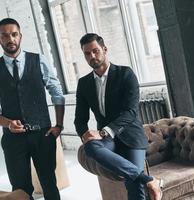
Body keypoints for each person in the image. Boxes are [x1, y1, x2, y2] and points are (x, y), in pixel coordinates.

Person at [0, 18, 64, 200]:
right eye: (5, 35)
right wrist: (7, 123)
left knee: (50, 184)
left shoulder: (39, 60)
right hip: (13, 140)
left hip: (43, 135)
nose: (10, 39)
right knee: (20, 190)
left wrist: (59, 125)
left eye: (14, 34)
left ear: (20, 36)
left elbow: (57, 93)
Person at [74, 33, 163, 200]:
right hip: (108, 142)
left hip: (131, 137)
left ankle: (143, 180)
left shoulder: (125, 74)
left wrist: (102, 133)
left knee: (133, 183)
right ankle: (150, 180)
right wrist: (84, 134)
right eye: (87, 53)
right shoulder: (84, 83)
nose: (92, 56)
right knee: (90, 147)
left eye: (95, 51)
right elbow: (80, 119)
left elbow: (130, 112)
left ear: (105, 49)